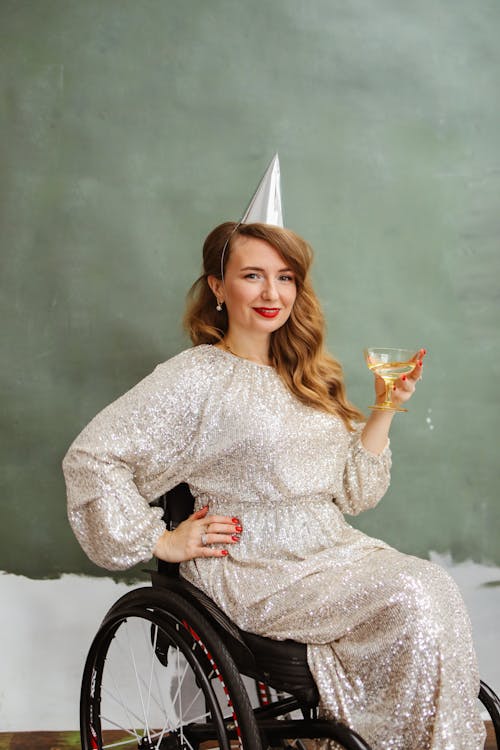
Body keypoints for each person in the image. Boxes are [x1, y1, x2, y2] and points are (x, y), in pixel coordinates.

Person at [63, 220, 485, 749]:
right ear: (218, 286)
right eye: (253, 276)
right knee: (411, 591)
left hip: (330, 548)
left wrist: (385, 409)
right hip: (254, 564)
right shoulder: (197, 376)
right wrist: (159, 540)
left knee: (430, 586)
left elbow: (356, 493)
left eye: (285, 278)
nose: (272, 293)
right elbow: (91, 456)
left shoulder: (306, 375)